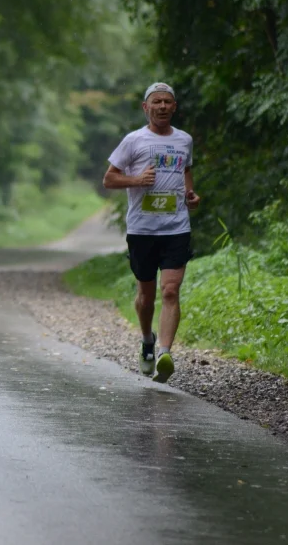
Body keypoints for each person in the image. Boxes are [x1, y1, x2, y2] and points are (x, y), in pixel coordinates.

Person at [102, 82, 201, 383]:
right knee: (145, 298)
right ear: (146, 108)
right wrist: (136, 180)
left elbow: (185, 170)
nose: (162, 106)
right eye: (156, 101)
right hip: (142, 229)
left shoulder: (184, 140)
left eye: (167, 102)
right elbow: (109, 179)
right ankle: (147, 339)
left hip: (176, 228)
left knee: (170, 290)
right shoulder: (134, 140)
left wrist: (190, 194)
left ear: (174, 107)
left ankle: (164, 353)